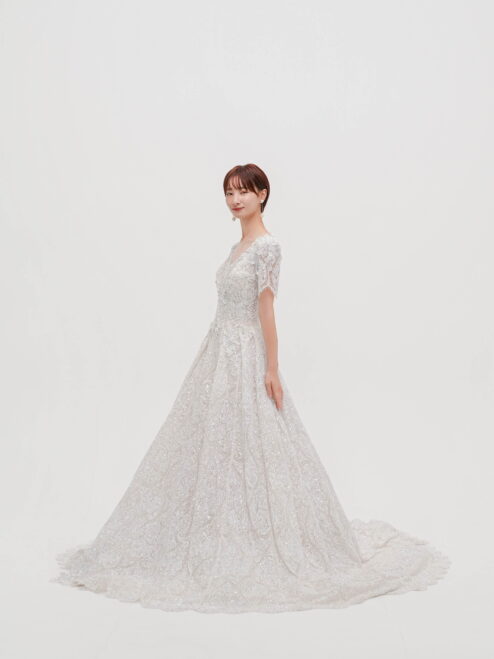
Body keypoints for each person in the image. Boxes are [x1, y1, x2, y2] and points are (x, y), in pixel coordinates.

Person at [51, 163, 450, 613]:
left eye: (243, 191)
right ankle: (213, 531)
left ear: (262, 194)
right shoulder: (237, 246)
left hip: (245, 352)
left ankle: (264, 536)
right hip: (217, 351)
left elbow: (266, 310)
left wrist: (272, 368)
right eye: (229, 192)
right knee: (211, 444)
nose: (235, 199)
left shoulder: (267, 248)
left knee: (258, 442)